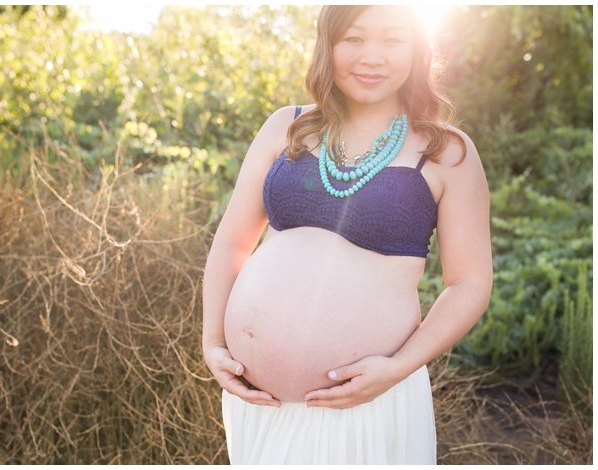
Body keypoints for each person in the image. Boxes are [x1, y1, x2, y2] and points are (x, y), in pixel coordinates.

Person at [202, 5, 492, 465]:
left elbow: (470, 283)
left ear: (418, 48)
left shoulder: (445, 152)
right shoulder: (287, 127)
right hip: (260, 402)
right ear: (327, 46)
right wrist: (212, 342)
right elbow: (232, 244)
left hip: (365, 402)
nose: (372, 57)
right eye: (354, 39)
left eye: (392, 40)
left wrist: (398, 368)